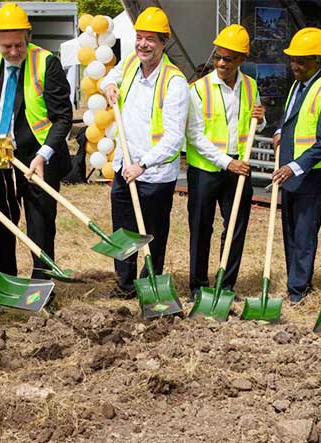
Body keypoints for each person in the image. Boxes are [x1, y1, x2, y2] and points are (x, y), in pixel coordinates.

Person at [0, 3, 72, 289]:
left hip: (37, 158)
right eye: (6, 46)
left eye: (18, 45)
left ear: (29, 35)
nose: (13, 52)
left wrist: (43, 155)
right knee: (4, 224)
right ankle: (8, 284)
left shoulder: (46, 62)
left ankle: (41, 286)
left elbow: (63, 118)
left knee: (40, 226)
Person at [101, 6, 188, 298]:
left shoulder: (174, 82)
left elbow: (174, 138)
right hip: (124, 166)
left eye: (150, 39)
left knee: (151, 233)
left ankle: (148, 283)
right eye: (139, 37)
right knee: (123, 231)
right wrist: (109, 86)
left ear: (164, 42)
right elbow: (108, 77)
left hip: (155, 173)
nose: (143, 44)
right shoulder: (128, 65)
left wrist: (143, 164)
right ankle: (124, 284)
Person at [184, 24, 265, 301]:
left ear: (241, 59)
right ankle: (197, 284)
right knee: (200, 227)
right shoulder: (197, 90)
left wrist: (261, 118)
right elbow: (194, 135)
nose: (220, 63)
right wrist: (225, 162)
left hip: (239, 168)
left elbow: (254, 127)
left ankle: (226, 284)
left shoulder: (251, 86)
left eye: (227, 59)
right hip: (206, 169)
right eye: (217, 56)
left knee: (235, 227)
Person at [271, 27, 321, 304]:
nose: (295, 66)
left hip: (312, 175)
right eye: (292, 60)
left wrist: (295, 167)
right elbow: (292, 120)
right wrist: (279, 132)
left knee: (303, 233)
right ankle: (295, 280)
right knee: (290, 232)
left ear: (318, 60)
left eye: (301, 61)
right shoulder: (297, 85)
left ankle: (298, 290)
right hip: (291, 170)